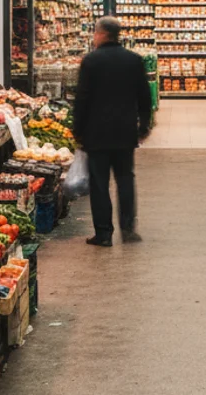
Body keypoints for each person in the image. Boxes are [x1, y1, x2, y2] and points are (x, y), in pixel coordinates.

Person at [72, 16, 153, 247]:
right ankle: (128, 230)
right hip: (125, 132)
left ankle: (104, 234)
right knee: (125, 180)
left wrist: (77, 130)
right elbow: (144, 97)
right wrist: (143, 125)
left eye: (95, 33)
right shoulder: (134, 60)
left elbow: (82, 99)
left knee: (99, 184)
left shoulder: (91, 61)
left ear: (101, 34)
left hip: (96, 133)